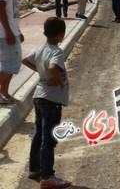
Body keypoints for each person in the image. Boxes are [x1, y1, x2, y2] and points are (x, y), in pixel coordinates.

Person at [22, 17, 72, 188]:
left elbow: (25, 60)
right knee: (49, 139)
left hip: (39, 96)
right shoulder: (56, 51)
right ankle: (47, 176)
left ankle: (34, 168)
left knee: (39, 134)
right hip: (51, 99)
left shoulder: (40, 49)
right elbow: (52, 68)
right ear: (61, 35)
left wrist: (42, 74)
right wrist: (56, 79)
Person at [0, 0, 24, 105]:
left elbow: (11, 13)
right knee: (11, 65)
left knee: (8, 66)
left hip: (11, 32)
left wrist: (17, 31)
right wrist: (9, 32)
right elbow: (0, 10)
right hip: (5, 34)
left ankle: (4, 93)